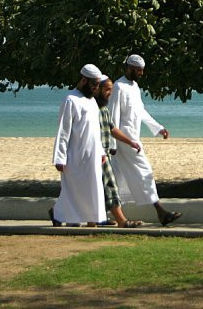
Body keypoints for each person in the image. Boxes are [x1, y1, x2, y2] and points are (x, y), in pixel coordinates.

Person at [109, 54, 182, 225]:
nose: (141, 73)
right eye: (138, 70)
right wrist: (113, 144)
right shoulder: (118, 87)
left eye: (142, 70)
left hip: (133, 138)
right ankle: (161, 212)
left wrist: (158, 128)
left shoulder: (134, 87)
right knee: (145, 172)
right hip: (124, 141)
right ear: (129, 68)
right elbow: (112, 118)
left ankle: (72, 210)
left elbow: (141, 112)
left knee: (116, 178)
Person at [50, 64, 107, 227]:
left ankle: (91, 222)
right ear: (83, 80)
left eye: (97, 85)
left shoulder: (92, 102)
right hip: (74, 156)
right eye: (94, 84)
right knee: (73, 192)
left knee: (92, 190)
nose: (96, 88)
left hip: (93, 155)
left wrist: (102, 152)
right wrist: (59, 158)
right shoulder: (71, 100)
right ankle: (69, 221)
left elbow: (96, 130)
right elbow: (63, 131)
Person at [94, 74, 143, 228]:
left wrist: (130, 142)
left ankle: (58, 212)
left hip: (104, 154)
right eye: (108, 90)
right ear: (97, 89)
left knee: (94, 188)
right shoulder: (90, 108)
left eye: (112, 90)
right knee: (110, 185)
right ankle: (122, 221)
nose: (110, 93)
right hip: (96, 154)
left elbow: (112, 129)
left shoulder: (103, 109)